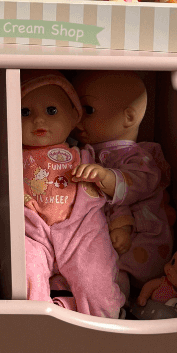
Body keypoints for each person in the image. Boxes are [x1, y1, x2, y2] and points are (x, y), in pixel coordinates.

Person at [21, 71, 123, 319]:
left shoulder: (85, 154)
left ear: (74, 116)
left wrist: (101, 175)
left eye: (51, 110)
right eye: (25, 112)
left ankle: (104, 322)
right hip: (32, 231)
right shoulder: (15, 155)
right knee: (26, 274)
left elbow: (115, 196)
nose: (38, 120)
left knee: (96, 282)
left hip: (81, 229)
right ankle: (37, 323)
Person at [71, 71, 174, 289]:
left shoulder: (139, 156)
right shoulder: (83, 152)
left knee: (113, 279)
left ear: (129, 117)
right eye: (75, 110)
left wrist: (106, 177)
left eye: (88, 110)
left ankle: (117, 299)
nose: (78, 121)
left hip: (140, 242)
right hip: (104, 240)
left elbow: (140, 183)